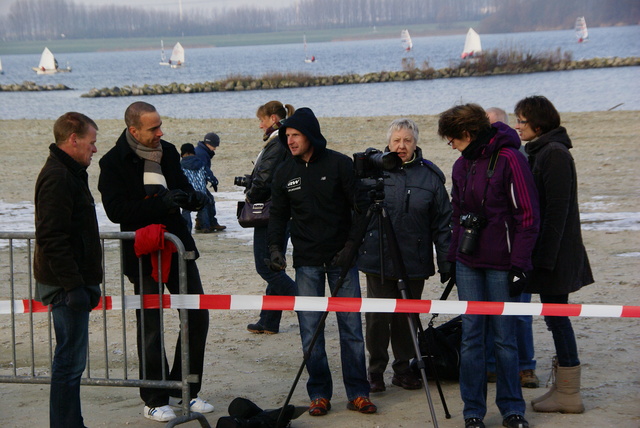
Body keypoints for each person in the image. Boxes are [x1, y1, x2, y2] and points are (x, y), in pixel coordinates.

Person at [98, 101, 213, 422]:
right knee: (151, 325)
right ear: (134, 130)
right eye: (153, 128)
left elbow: (179, 189)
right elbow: (117, 211)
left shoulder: (170, 150)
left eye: (160, 125)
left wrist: (191, 198)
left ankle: (184, 389)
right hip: (141, 250)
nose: (160, 132)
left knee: (197, 315)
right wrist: (160, 203)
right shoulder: (111, 162)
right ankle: (153, 397)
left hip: (177, 245)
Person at [267, 107, 376, 416]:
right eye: (287, 136)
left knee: (351, 327)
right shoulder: (284, 172)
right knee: (310, 330)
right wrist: (275, 248)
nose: (289, 141)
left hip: (342, 260)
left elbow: (363, 208)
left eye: (295, 135)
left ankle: (358, 391)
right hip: (307, 262)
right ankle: (319, 393)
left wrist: (352, 247)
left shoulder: (340, 164)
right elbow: (277, 216)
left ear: (310, 135)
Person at [438, 103, 540, 428]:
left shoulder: (510, 159)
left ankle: (512, 410)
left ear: (467, 133)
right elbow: (457, 216)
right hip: (469, 262)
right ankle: (473, 413)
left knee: (504, 338)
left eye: (453, 138)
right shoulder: (460, 167)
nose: (450, 144)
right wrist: (452, 259)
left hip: (502, 264)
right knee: (471, 337)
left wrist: (520, 265)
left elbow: (527, 216)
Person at [357, 118, 452, 393]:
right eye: (396, 140)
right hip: (378, 259)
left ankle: (403, 368)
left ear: (415, 143)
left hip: (415, 260)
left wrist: (446, 261)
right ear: (388, 142)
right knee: (377, 319)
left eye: (407, 140)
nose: (401, 146)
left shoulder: (430, 177)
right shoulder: (374, 173)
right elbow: (356, 212)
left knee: (407, 317)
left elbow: (443, 223)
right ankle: (375, 371)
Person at [515, 95, 593, 414]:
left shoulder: (554, 154)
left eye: (521, 120)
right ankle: (562, 388)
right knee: (554, 318)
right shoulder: (541, 151)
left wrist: (544, 260)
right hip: (550, 254)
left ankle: (569, 393)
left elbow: (558, 211)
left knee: (558, 320)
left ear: (538, 123)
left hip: (556, 256)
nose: (517, 125)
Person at [34, 112, 102, 428]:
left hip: (71, 282)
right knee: (68, 362)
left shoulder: (69, 173)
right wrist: (74, 286)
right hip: (64, 286)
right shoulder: (58, 177)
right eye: (91, 142)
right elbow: (51, 237)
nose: (94, 149)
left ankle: (71, 421)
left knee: (71, 361)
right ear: (73, 140)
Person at [485, 106, 540, 389]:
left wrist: (522, 257)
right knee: (490, 314)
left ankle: (526, 367)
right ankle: (494, 365)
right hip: (493, 251)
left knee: (519, 312)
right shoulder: (480, 160)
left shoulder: (516, 158)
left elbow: (526, 214)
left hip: (517, 249)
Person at [245, 101, 297, 335]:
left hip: (271, 212)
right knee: (273, 265)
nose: (260, 125)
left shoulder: (276, 143)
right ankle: (269, 321)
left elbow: (264, 180)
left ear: (273, 119)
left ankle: (308, 305)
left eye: (262, 120)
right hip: (282, 209)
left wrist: (250, 193)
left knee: (266, 267)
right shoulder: (283, 141)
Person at [180, 143, 215, 233]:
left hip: (187, 193)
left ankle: (187, 229)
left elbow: (177, 178)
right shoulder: (201, 164)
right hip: (201, 193)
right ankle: (205, 227)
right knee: (203, 209)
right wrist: (214, 183)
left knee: (186, 211)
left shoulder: (180, 165)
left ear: (183, 153)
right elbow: (210, 176)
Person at [194, 132, 226, 231]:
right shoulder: (202, 154)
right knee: (208, 200)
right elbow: (204, 169)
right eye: (214, 146)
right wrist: (212, 180)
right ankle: (208, 224)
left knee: (205, 200)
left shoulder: (200, 151)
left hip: (195, 182)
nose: (215, 148)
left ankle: (202, 222)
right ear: (208, 144)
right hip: (197, 183)